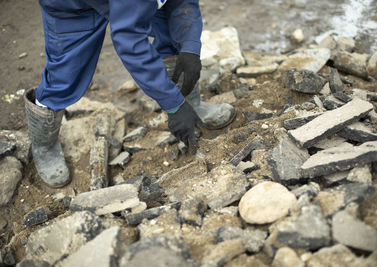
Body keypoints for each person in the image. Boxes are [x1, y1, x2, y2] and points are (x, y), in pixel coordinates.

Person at [24, 0, 235, 188]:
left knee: (172, 29)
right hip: (73, 6)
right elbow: (129, 39)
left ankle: (191, 103)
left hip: (134, 5)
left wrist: (189, 47)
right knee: (64, 76)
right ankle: (44, 146)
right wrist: (173, 105)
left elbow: (182, 4)